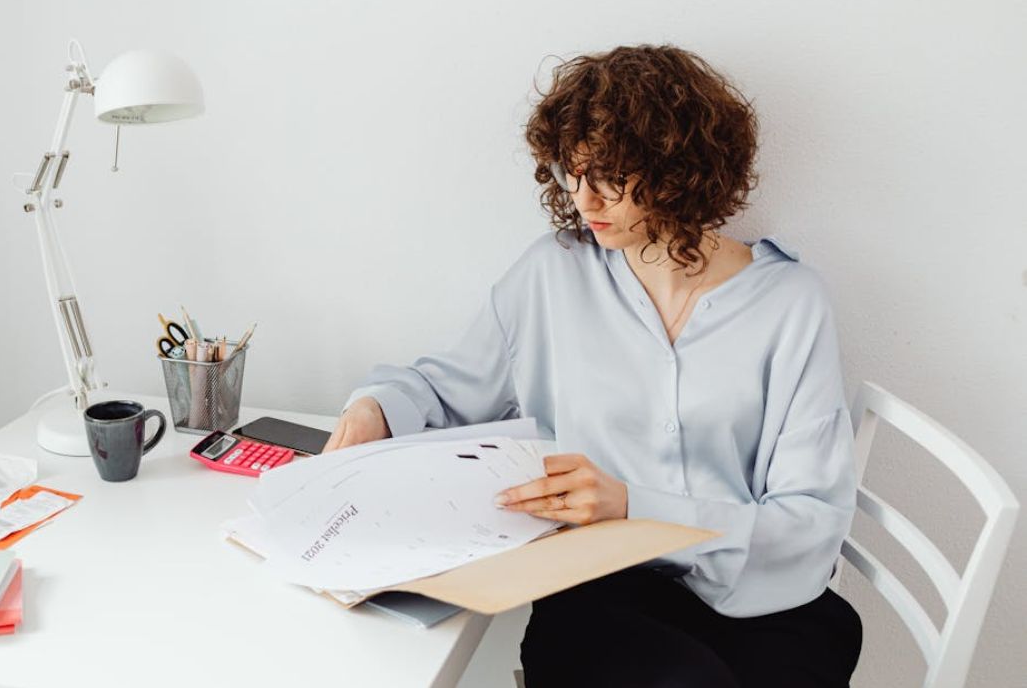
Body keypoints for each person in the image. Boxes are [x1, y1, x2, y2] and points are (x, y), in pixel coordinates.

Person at [325, 44, 862, 687]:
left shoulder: (789, 302)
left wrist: (632, 504)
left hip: (762, 597)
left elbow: (810, 521)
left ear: (678, 166)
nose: (584, 198)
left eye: (608, 175)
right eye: (569, 174)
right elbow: (444, 386)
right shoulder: (553, 274)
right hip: (597, 590)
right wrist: (373, 408)